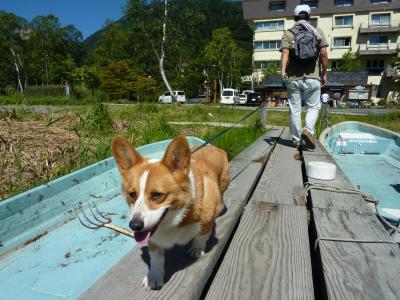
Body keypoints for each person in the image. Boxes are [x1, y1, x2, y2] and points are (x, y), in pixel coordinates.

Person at [280, 4, 329, 149]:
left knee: (295, 110)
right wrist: (324, 73)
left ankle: (296, 141)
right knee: (313, 107)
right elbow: (324, 54)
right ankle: (308, 129)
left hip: (293, 79)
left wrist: (283, 73)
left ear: (295, 18)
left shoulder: (288, 33)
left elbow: (285, 54)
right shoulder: (317, 31)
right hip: (313, 77)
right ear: (309, 16)